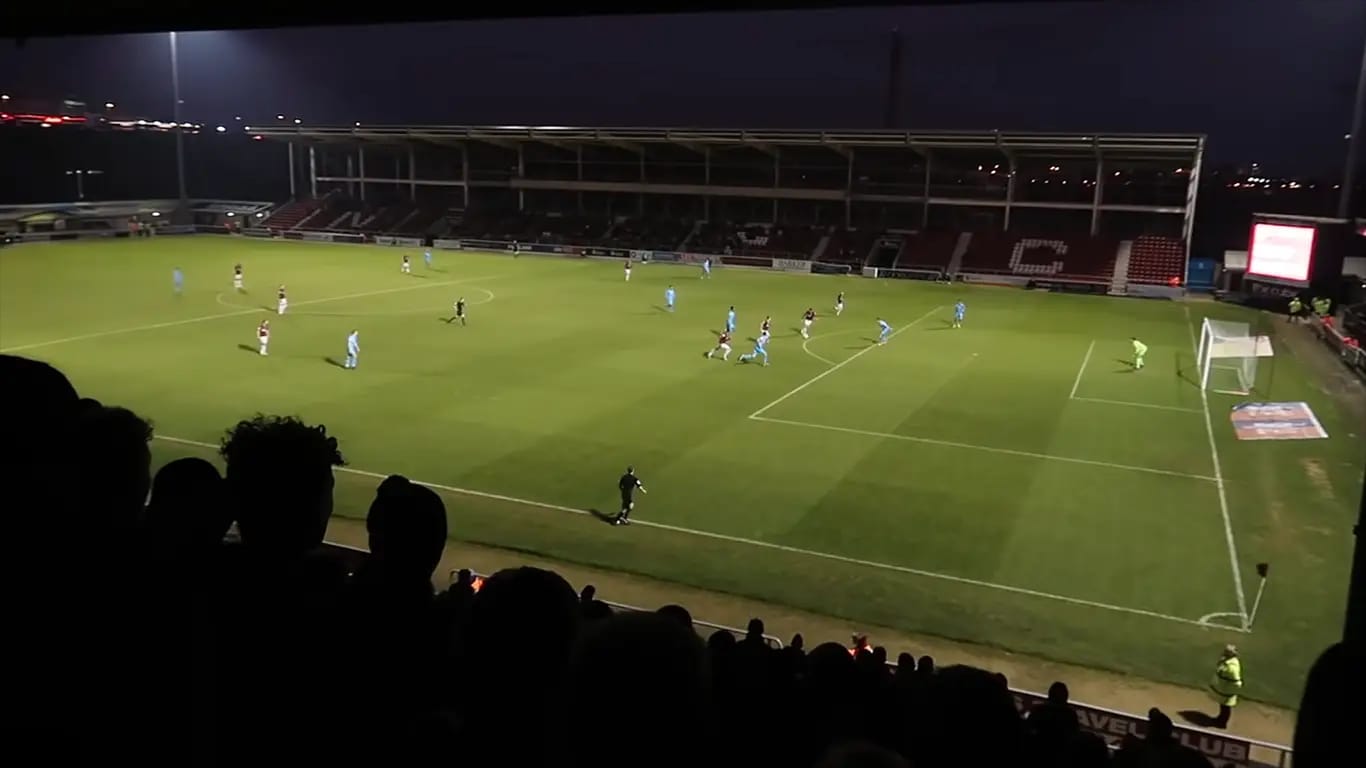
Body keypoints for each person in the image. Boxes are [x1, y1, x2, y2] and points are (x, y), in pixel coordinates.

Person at [1208, 644, 1243, 728]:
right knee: (1223, 706)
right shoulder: (1228, 661)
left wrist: (1232, 690)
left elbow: (1237, 682)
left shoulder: (1232, 667)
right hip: (1224, 688)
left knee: (1226, 707)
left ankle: (1222, 723)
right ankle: (1220, 719)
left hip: (1227, 690)